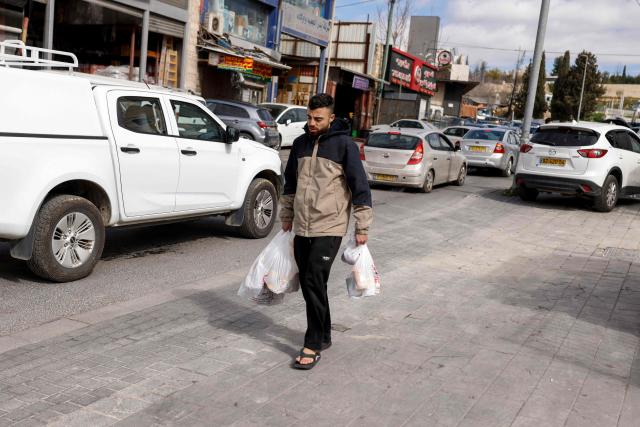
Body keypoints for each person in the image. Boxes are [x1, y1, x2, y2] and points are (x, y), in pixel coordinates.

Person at [279, 93, 372, 370]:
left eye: (317, 118)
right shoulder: (299, 144)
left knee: (311, 280)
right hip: (302, 226)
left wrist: (362, 225)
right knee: (313, 285)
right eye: (309, 117)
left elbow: (360, 186)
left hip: (329, 226)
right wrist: (286, 215)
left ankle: (313, 342)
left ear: (331, 118)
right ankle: (326, 332)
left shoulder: (344, 146)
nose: (311, 123)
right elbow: (290, 184)